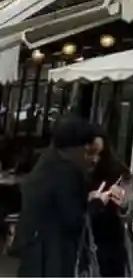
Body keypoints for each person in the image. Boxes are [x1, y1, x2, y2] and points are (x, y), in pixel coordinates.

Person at [15, 114, 106, 277]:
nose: (90, 159)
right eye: (87, 151)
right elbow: (74, 220)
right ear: (74, 148)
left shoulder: (44, 164)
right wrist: (97, 203)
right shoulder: (68, 173)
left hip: (33, 251)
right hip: (53, 257)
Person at [87, 128, 133, 277]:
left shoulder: (116, 170)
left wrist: (123, 201)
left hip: (108, 230)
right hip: (95, 228)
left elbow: (128, 201)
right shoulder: (81, 171)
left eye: (98, 154)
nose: (94, 159)